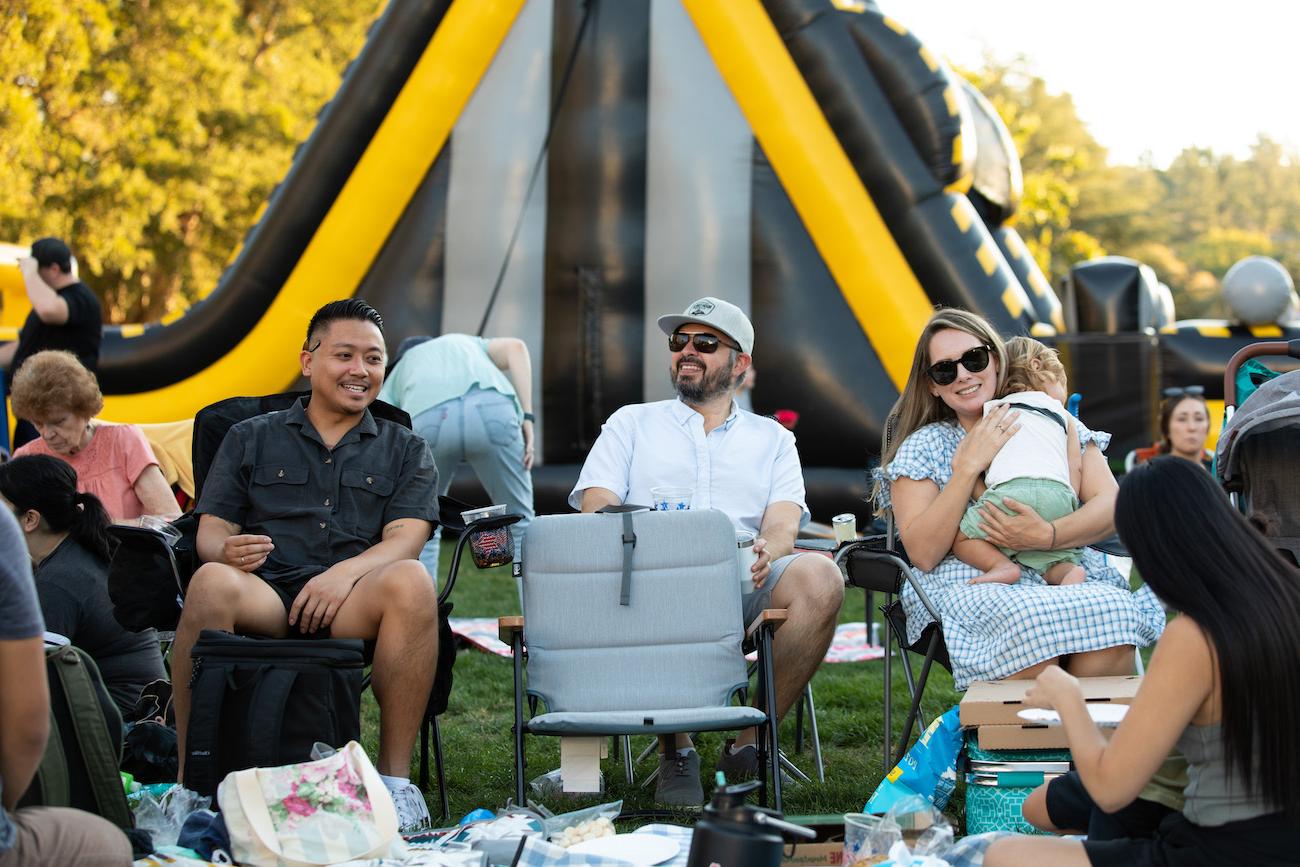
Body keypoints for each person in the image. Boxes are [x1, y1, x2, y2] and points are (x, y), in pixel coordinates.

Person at [170, 299, 442, 832]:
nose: (360, 370)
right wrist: (226, 551)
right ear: (308, 361)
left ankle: (394, 785)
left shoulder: (405, 448)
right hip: (265, 592)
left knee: (412, 580)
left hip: (350, 600)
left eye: (373, 359)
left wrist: (342, 575)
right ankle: (192, 779)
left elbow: (407, 537)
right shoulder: (250, 435)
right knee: (208, 582)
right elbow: (211, 530)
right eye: (345, 354)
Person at [570, 296, 844, 806]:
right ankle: (676, 747)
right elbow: (596, 505)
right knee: (652, 580)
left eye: (705, 342)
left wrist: (771, 548)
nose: (687, 351)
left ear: (740, 363)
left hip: (745, 581)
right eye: (680, 342)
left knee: (821, 577)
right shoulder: (632, 422)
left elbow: (785, 521)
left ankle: (748, 745)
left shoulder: (773, 439)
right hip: (651, 584)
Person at [985, 457, 1300, 865]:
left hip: (1223, 850)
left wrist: (1068, 700)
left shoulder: (1195, 636)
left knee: (1004, 856)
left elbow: (1110, 789)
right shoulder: (1287, 592)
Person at [873, 308, 1163, 690]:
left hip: (1063, 569)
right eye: (945, 370)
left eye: (973, 359)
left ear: (995, 359)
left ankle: (1093, 747)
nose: (962, 375)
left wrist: (1047, 535)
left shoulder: (1055, 421)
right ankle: (1032, 745)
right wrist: (965, 470)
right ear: (932, 386)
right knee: (1025, 618)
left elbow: (1111, 507)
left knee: (1112, 613)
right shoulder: (924, 447)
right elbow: (924, 554)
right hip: (976, 583)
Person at [0, 503, 134, 866]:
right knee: (107, 844)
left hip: (124, 701)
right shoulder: (49, 561)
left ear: (31, 518)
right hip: (125, 707)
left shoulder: (59, 579)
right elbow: (27, 724)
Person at [0, 455, 167, 715]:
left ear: (30, 519)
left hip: (117, 731)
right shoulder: (83, 552)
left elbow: (24, 686)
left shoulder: (58, 582)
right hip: (142, 715)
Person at [378, 333, 535, 578]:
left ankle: (424, 615)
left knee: (425, 527)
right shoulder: (468, 342)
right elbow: (517, 346)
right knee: (522, 524)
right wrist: (528, 417)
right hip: (493, 408)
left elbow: (380, 417)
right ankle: (538, 613)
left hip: (427, 417)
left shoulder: (402, 366)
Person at [955, 337, 1085, 586]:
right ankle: (1068, 574)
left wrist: (984, 497)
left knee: (963, 540)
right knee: (1055, 558)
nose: (1064, 397)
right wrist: (1067, 501)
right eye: (1063, 384)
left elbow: (964, 459)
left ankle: (1002, 566)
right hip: (1059, 495)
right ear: (1038, 366)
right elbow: (1075, 466)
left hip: (1010, 493)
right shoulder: (1066, 418)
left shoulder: (996, 410)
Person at [9, 351, 180, 522]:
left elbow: (171, 519)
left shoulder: (123, 440)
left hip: (126, 548)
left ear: (84, 410)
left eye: (58, 421)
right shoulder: (26, 459)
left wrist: (102, 528)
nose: (47, 434)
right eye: (38, 423)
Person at [0, 238, 103, 449]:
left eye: (38, 270)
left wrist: (29, 271)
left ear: (54, 269)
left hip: (59, 408)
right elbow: (22, 346)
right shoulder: (50, 301)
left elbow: (48, 310)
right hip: (35, 406)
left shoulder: (80, 298)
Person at [1131, 387, 1213, 470]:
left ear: (1208, 426)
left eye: (1199, 419)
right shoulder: (1147, 476)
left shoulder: (1220, 476)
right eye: (1182, 419)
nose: (1192, 427)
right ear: (1166, 429)